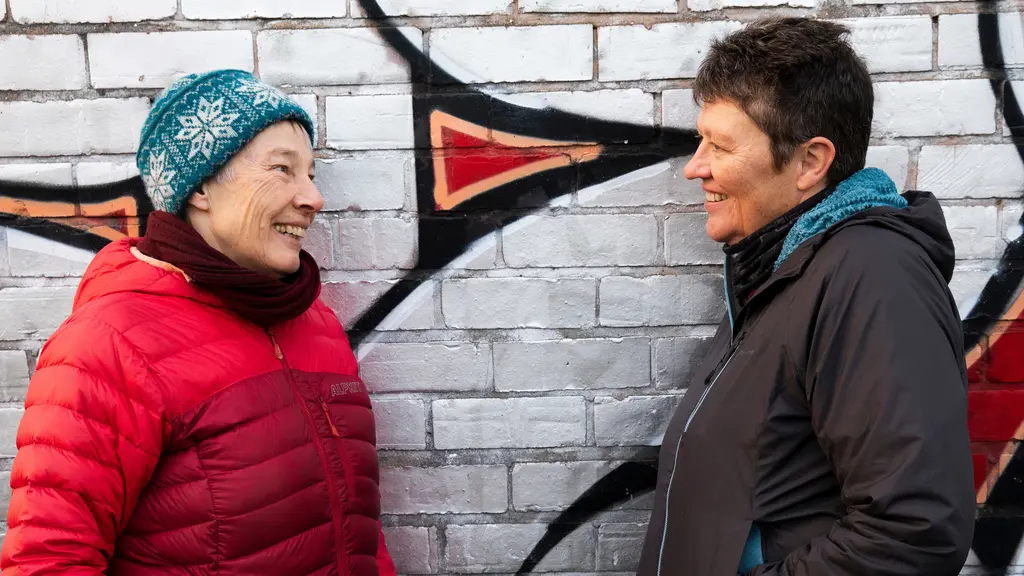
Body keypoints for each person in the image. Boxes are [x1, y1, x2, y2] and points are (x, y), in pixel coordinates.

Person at [0, 69, 397, 575]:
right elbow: (49, 559)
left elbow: (355, 530)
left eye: (311, 175)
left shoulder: (313, 323)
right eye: (282, 169)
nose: (312, 198)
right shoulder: (110, 344)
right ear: (201, 187)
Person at [636, 17, 975, 576]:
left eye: (719, 145)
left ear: (810, 162)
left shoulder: (871, 277)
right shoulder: (785, 269)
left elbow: (915, 530)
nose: (695, 167)